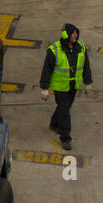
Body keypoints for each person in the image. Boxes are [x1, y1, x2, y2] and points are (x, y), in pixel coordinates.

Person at [39, 23, 92, 151]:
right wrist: (44, 88)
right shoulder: (54, 50)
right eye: (73, 33)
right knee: (64, 110)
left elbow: (86, 66)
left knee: (66, 107)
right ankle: (65, 138)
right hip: (60, 87)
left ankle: (54, 123)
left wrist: (88, 82)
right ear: (65, 34)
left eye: (76, 32)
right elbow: (47, 70)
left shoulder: (81, 48)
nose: (76, 35)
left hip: (74, 85)